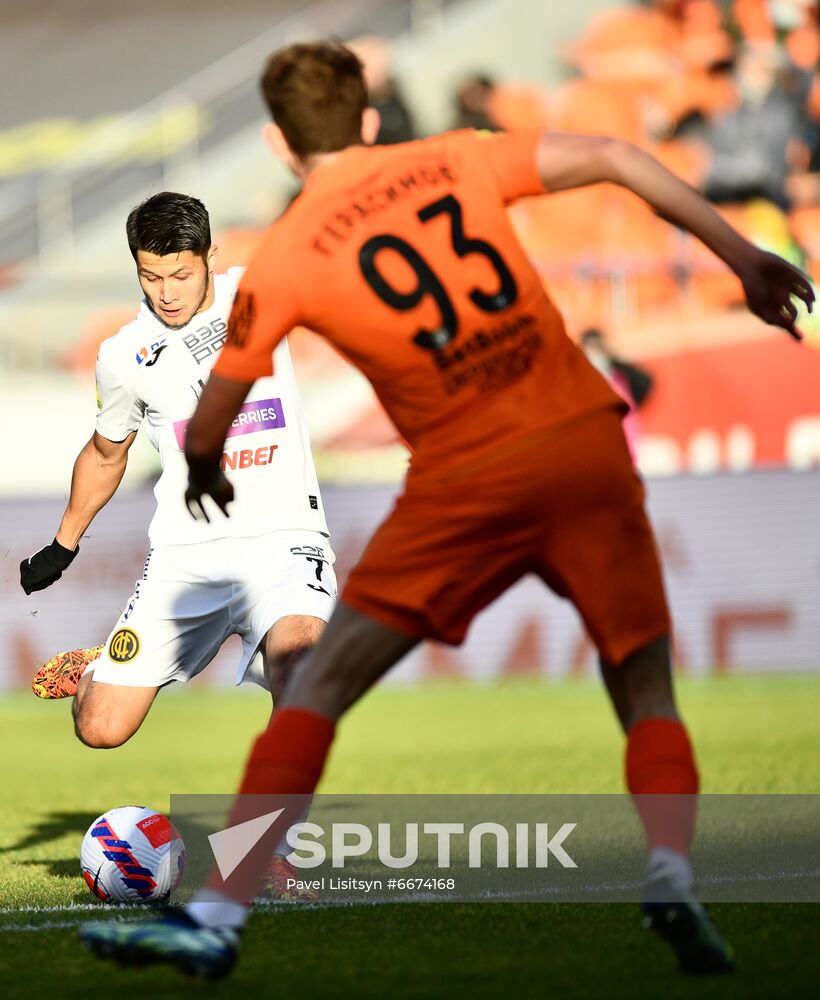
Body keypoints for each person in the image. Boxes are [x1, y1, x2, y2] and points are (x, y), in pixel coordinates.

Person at [80, 42, 814, 979]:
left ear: (278, 143)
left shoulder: (293, 251)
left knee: (323, 685)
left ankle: (219, 917)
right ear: (373, 119)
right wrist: (746, 257)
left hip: (463, 476)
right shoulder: (458, 155)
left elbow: (213, 409)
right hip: (582, 442)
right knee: (645, 686)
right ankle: (671, 870)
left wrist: (206, 459)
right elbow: (623, 159)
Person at [20, 192, 336, 896]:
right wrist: (63, 544)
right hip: (186, 558)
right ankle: (99, 669)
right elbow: (107, 453)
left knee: (303, 662)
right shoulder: (124, 354)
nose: (166, 293)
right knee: (101, 729)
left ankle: (267, 853)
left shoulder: (263, 291)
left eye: (181, 276)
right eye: (151, 276)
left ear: (210, 259)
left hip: (285, 542)